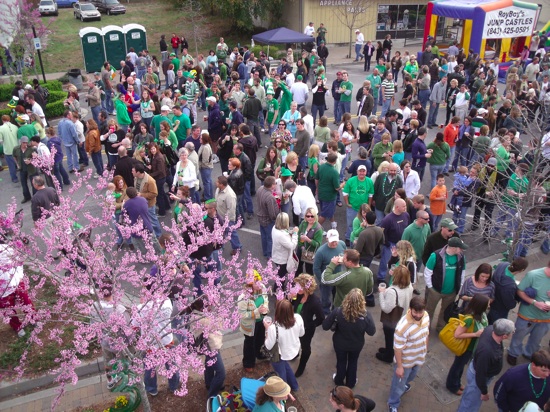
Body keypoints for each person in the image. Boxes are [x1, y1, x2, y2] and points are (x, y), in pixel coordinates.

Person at [457, 319, 516, 412]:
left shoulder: (490, 329)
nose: (514, 332)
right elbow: (480, 374)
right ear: (504, 336)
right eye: (512, 332)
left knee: (469, 397)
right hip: (478, 379)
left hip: (478, 373)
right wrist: (484, 392)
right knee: (470, 404)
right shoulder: (487, 352)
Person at [323, 288, 376, 388]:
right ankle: (351, 383)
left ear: (347, 299)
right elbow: (372, 332)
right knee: (353, 361)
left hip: (340, 343)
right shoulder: (365, 315)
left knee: (341, 361)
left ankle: (339, 380)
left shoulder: (338, 312)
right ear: (362, 301)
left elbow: (325, 326)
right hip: (356, 344)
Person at [387, 296, 430, 412]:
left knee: (412, 376)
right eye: (415, 312)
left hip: (418, 357)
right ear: (410, 309)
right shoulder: (402, 327)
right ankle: (393, 403)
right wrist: (400, 367)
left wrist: (425, 349)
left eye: (421, 312)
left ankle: (403, 387)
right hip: (405, 362)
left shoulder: (426, 316)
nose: (418, 315)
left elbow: (426, 333)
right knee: (398, 384)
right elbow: (397, 349)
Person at [507, 261, 550, 366]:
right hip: (527, 315)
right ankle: (513, 353)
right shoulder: (533, 275)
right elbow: (519, 291)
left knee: (536, 340)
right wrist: (535, 303)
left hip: (545, 318)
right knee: (518, 336)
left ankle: (530, 354)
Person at [446, 294, 490, 395]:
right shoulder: (469, 319)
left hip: (471, 347)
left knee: (461, 367)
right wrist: (475, 334)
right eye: (487, 304)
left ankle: (457, 382)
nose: (489, 306)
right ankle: (452, 385)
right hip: (466, 347)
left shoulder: (481, 314)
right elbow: (457, 334)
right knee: (457, 366)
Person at [424, 236, 467, 332]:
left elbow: (462, 272)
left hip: (451, 292)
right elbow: (427, 272)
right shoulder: (435, 255)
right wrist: (430, 287)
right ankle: (425, 328)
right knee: (429, 310)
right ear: (453, 248)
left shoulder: (461, 257)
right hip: (435, 290)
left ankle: (440, 328)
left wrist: (459, 287)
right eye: (460, 248)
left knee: (445, 311)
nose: (462, 250)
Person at [264, 299, 305, 391]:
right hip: (293, 350)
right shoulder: (298, 318)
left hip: (280, 354)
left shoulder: (273, 328)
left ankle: (284, 391)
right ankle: (294, 386)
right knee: (286, 367)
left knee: (280, 373)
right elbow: (301, 333)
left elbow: (268, 346)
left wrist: (267, 329)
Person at [377, 265, 414, 364]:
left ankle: (389, 355)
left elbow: (386, 308)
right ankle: (389, 350)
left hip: (392, 320)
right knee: (395, 337)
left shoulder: (393, 291)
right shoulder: (409, 285)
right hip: (403, 317)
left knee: (390, 337)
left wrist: (381, 293)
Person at [291, 274, 325, 377]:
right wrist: (290, 298)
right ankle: (295, 353)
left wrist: (310, 326)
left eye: (299, 286)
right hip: (295, 326)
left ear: (306, 288)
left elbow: (321, 318)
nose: (296, 288)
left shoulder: (315, 302)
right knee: (295, 341)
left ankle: (302, 366)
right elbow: (293, 305)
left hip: (306, 330)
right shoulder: (299, 295)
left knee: (305, 348)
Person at [238, 272, 269, 372]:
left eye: (259, 280)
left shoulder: (263, 288)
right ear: (250, 284)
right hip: (250, 325)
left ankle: (259, 354)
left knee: (260, 339)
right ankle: (248, 362)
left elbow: (266, 300)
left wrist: (265, 308)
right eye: (256, 282)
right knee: (249, 343)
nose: (259, 284)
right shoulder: (243, 297)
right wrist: (257, 311)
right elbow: (242, 314)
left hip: (261, 321)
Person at [377, 199, 410, 284]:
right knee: (386, 261)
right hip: (391, 244)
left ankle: (395, 275)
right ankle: (381, 277)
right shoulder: (387, 219)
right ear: (397, 207)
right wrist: (387, 243)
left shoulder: (406, 215)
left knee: (399, 261)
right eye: (404, 206)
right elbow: (382, 232)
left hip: (402, 244)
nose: (405, 208)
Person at [313, 229, 346, 315]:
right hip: (326, 280)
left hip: (338, 277)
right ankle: (326, 312)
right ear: (327, 239)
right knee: (325, 299)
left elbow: (345, 256)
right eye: (332, 241)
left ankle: (335, 311)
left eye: (336, 241)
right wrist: (322, 280)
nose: (334, 243)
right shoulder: (320, 252)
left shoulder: (342, 244)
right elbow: (316, 268)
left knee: (337, 296)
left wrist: (343, 261)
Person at [488, 258, 529, 324]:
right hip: (500, 310)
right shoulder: (509, 286)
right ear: (522, 270)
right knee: (496, 327)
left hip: (491, 300)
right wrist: (515, 301)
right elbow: (509, 304)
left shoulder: (502, 265)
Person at [271, 212, 299, 288]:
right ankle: (278, 290)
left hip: (276, 256)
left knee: (280, 274)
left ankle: (278, 288)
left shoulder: (274, 228)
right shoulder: (281, 235)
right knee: (281, 276)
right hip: (282, 260)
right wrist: (295, 234)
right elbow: (292, 246)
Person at [257, 177, 280, 259]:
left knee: (263, 236)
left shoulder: (260, 189)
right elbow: (272, 213)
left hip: (260, 216)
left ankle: (265, 251)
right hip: (267, 220)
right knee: (270, 238)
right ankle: (269, 254)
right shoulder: (270, 197)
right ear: (272, 185)